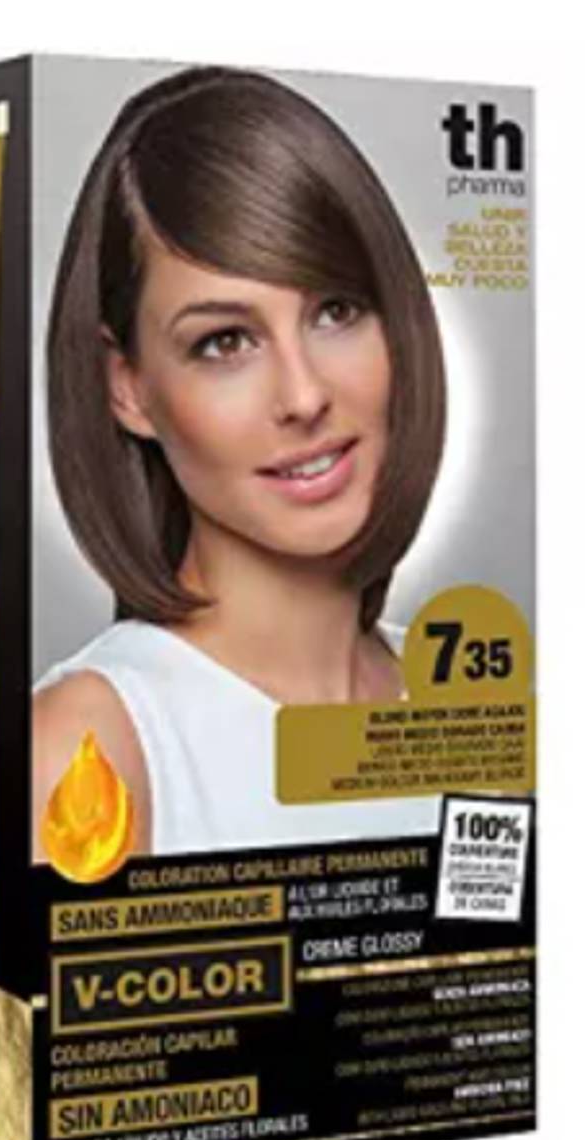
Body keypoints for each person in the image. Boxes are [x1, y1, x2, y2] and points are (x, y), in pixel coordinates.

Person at [32, 64, 446, 858]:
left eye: (336, 310)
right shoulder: (89, 748)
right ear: (127, 387)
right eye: (225, 342)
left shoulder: (478, 705)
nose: (305, 395)